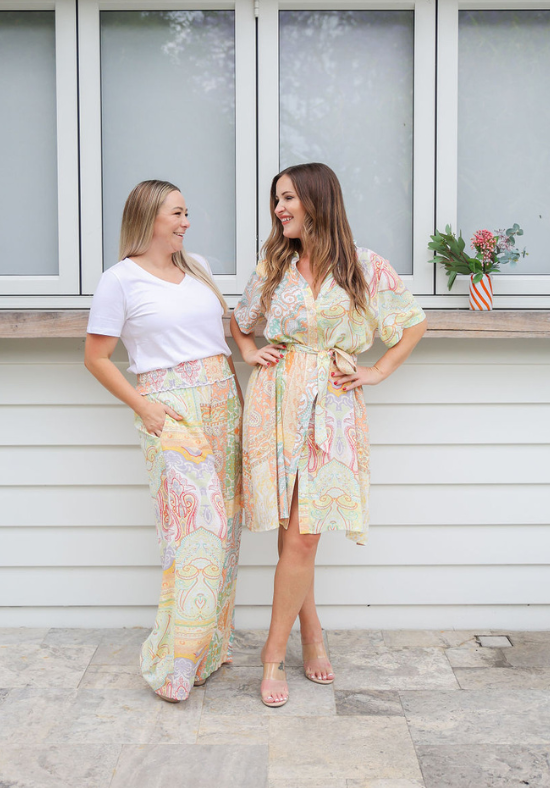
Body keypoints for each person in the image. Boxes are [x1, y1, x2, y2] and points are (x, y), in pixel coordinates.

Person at [230, 162, 426, 707]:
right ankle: (310, 635)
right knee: (293, 528)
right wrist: (249, 352)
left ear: (318, 200)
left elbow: (412, 324)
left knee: (306, 533)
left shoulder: (365, 265)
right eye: (276, 200)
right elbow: (241, 321)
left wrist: (377, 370)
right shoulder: (275, 263)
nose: (278, 209)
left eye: (288, 198)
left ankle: (274, 655)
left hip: (333, 405)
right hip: (276, 400)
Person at [85, 179, 242, 702]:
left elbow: (222, 342)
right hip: (170, 409)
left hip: (223, 404)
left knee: (226, 531)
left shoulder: (197, 268)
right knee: (196, 530)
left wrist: (241, 399)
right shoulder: (119, 280)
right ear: (149, 216)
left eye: (186, 212)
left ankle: (209, 647)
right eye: (177, 213)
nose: (186, 222)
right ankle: (175, 661)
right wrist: (144, 406)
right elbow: (96, 358)